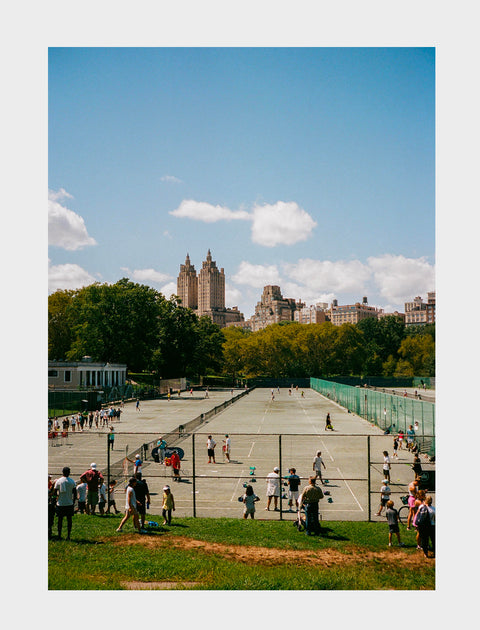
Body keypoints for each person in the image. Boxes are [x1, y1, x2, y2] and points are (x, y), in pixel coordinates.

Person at [54, 466, 76, 540]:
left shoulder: (59, 481)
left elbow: (55, 492)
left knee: (60, 520)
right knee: (69, 520)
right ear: (69, 473)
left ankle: (59, 535)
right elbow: (74, 493)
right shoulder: (72, 481)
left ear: (62, 472)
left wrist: (54, 502)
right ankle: (68, 535)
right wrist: (73, 501)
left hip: (60, 503)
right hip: (69, 503)